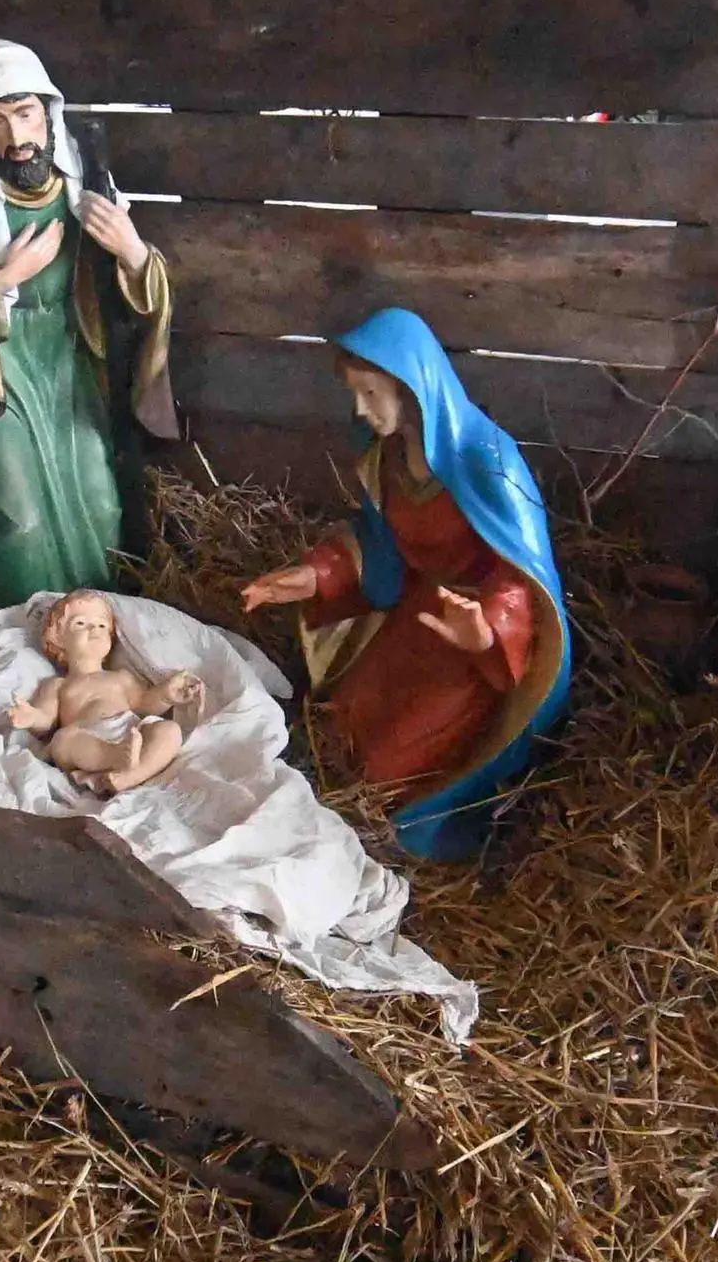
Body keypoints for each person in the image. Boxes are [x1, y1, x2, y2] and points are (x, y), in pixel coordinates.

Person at [241, 309, 571, 859]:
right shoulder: (388, 457)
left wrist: (486, 632)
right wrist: (315, 574)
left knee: (382, 774)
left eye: (371, 393)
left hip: (473, 645)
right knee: (333, 736)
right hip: (417, 617)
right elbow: (378, 544)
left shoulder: (488, 463)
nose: (359, 410)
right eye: (355, 393)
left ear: (414, 388)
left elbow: (523, 579)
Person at [0, 40, 176, 614]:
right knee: (18, 521)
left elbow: (135, 290)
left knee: (101, 506)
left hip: (69, 363)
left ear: (48, 111)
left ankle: (94, 636)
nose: (15, 136)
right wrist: (0, 281)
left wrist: (132, 253)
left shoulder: (83, 179)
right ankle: (14, 634)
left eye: (26, 114)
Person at [6, 590, 206, 796]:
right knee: (61, 742)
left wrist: (166, 695)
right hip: (88, 742)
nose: (94, 628)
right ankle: (115, 756)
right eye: (81, 623)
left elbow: (144, 704)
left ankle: (129, 776)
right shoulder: (58, 685)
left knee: (170, 730)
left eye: (102, 625)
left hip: (131, 733)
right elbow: (46, 720)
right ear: (58, 638)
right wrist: (31, 717)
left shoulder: (121, 677)